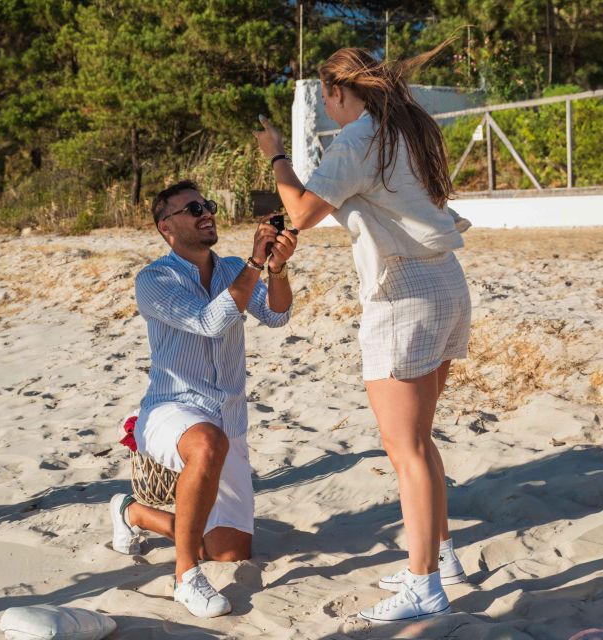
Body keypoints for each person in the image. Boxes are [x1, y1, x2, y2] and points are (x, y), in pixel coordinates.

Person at [253, 45, 471, 623]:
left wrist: (276, 157)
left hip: (403, 293)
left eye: (326, 97)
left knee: (407, 447)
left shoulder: (360, 138)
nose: (326, 107)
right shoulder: (408, 132)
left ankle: (424, 584)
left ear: (337, 93)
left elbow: (299, 212)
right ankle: (440, 556)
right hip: (447, 283)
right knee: (420, 439)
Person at [108, 180, 297, 618]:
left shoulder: (232, 268)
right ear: (166, 227)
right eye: (192, 208)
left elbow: (278, 316)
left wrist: (277, 268)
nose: (205, 212)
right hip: (171, 408)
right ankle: (185, 578)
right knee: (207, 443)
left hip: (228, 415)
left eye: (207, 204)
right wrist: (253, 262)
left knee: (229, 551)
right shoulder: (154, 279)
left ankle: (133, 512)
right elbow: (209, 322)